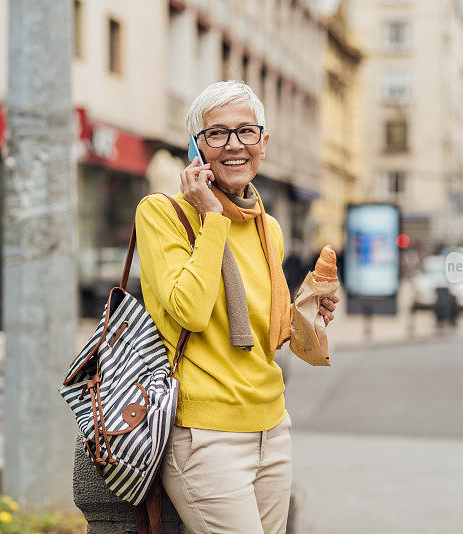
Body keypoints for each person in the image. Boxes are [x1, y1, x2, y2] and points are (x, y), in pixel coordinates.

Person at [136, 80, 338, 534]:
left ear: (263, 144)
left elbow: (269, 331)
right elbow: (189, 311)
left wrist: (310, 312)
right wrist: (211, 218)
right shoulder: (161, 213)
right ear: (195, 146)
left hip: (272, 428)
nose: (234, 146)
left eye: (246, 132)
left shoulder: (269, 227)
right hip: (204, 435)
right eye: (217, 133)